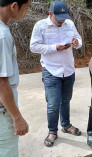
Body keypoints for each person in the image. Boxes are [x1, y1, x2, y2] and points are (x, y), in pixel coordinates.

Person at [30, 0, 82, 147]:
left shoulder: (69, 24)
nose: (62, 21)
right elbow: (33, 46)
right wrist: (55, 48)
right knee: (53, 104)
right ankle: (52, 131)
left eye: (64, 17)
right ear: (50, 14)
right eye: (59, 18)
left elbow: (79, 39)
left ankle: (66, 125)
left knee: (66, 101)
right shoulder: (40, 26)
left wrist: (76, 43)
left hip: (69, 70)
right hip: (51, 71)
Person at [0, 0, 31, 156]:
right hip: (3, 111)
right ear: (13, 6)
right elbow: (1, 82)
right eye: (25, 8)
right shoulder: (3, 36)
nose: (26, 12)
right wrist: (17, 117)